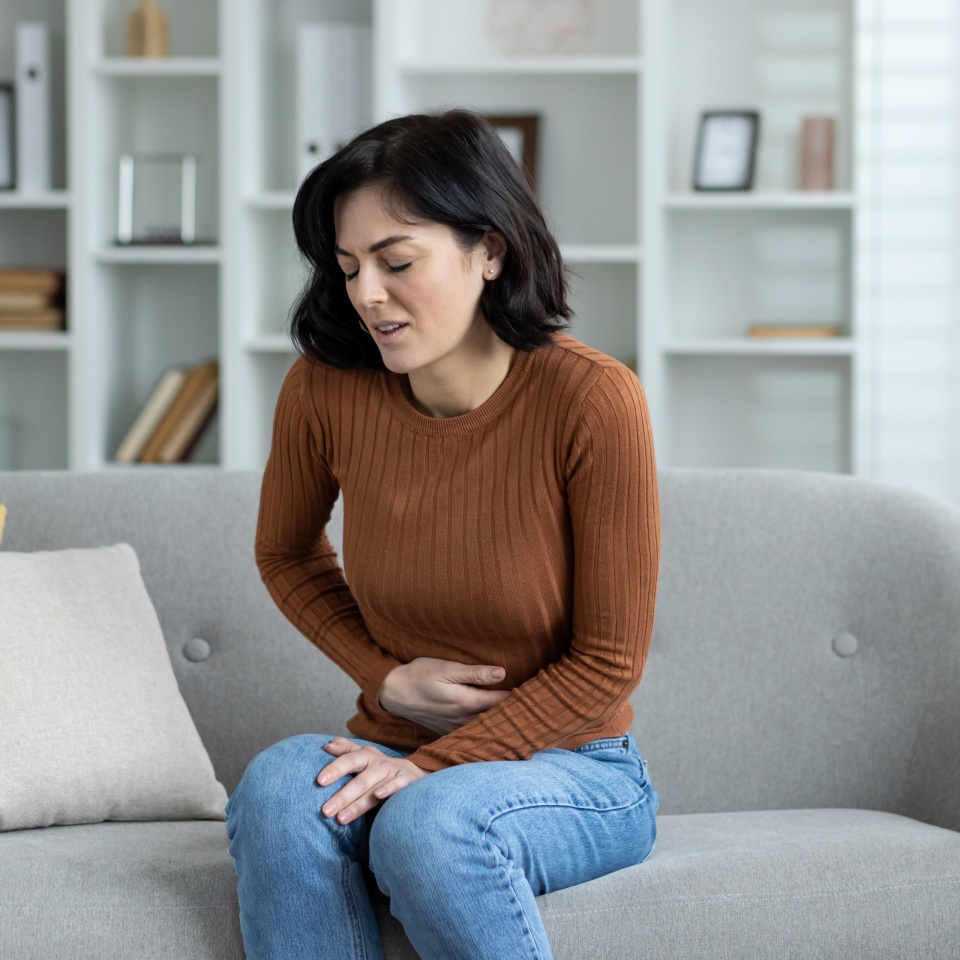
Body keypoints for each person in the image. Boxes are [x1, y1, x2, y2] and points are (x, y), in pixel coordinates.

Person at [226, 109, 661, 960]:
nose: (364, 294)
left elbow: (609, 659)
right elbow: (285, 552)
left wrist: (431, 769)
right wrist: (384, 681)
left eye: (396, 262)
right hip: (391, 746)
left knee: (427, 823)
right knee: (279, 785)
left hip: (574, 769)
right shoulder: (324, 390)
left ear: (488, 251)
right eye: (348, 268)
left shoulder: (592, 400)